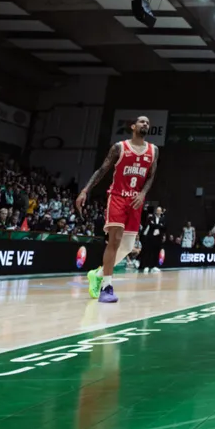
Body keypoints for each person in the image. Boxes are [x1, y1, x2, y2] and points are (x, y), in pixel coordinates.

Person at [76, 115, 160, 303]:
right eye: (142, 121)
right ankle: (106, 287)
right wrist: (85, 190)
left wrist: (143, 193)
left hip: (135, 201)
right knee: (114, 240)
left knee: (128, 247)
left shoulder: (153, 150)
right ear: (133, 126)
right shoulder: (119, 147)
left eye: (148, 122)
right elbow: (101, 170)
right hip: (118, 197)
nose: (145, 124)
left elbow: (151, 176)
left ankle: (97, 274)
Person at [139, 204, 166, 273]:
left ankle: (155, 266)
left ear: (161, 212)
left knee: (156, 252)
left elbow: (164, 227)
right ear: (156, 211)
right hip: (151, 237)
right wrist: (159, 225)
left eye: (159, 211)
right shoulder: (151, 217)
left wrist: (157, 226)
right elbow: (151, 225)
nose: (158, 212)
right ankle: (146, 266)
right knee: (149, 252)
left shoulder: (163, 219)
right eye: (157, 210)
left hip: (158, 237)